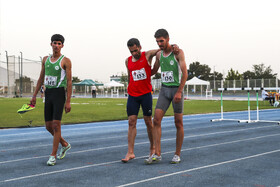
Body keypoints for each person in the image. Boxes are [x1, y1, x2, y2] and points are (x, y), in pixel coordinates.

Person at [146, 29, 188, 164]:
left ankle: (177, 154)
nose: (159, 44)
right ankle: (157, 153)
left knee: (178, 123)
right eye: (157, 41)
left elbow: (185, 73)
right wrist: (143, 67)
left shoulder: (178, 53)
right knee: (156, 120)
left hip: (176, 89)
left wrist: (179, 91)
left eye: (161, 41)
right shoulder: (159, 55)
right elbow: (153, 71)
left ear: (168, 39)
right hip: (164, 90)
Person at [30, 34, 72, 166]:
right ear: (51, 44)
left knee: (56, 125)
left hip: (59, 93)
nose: (57, 45)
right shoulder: (45, 60)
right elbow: (41, 78)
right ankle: (64, 144)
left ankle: (53, 155)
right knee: (48, 126)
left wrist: (68, 101)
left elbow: (70, 81)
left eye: (59, 43)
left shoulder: (66, 61)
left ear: (62, 46)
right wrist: (34, 96)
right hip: (48, 94)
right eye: (55, 43)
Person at [121, 38, 159, 163]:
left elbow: (159, 51)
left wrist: (156, 63)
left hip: (145, 94)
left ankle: (153, 147)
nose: (134, 53)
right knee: (131, 122)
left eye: (136, 50)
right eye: (131, 51)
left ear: (140, 47)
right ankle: (130, 152)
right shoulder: (127, 61)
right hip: (132, 94)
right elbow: (130, 75)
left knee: (148, 121)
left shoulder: (146, 55)